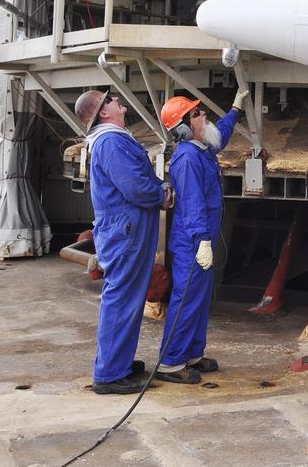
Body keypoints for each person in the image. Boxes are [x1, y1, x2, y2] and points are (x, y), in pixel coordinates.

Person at [153, 87, 250, 384]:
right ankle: (170, 363)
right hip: (193, 242)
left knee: (200, 299)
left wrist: (234, 110)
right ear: (184, 127)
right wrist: (202, 241)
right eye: (196, 113)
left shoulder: (203, 148)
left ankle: (192, 354)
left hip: (201, 238)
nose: (203, 112)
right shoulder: (187, 159)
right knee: (186, 300)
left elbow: (218, 134)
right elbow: (193, 203)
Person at [75, 89, 167, 395]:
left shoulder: (113, 138)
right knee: (123, 299)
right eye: (112, 99)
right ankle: (111, 374)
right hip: (126, 229)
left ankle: (120, 363)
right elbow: (135, 187)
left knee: (128, 298)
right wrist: (162, 194)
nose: (118, 100)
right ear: (103, 112)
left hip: (126, 227)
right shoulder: (112, 142)